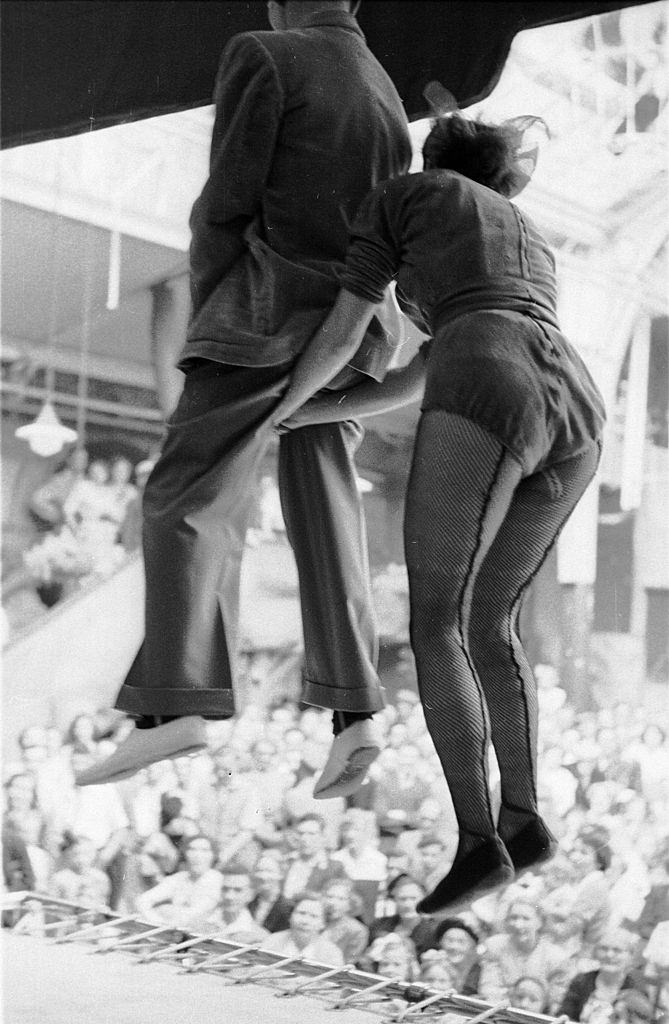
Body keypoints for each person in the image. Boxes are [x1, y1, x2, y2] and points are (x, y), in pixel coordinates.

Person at [266, 111, 605, 910]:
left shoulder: (408, 195)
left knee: (435, 624)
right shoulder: (525, 231)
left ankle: (476, 841)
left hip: (488, 379)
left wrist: (287, 398)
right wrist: (310, 414)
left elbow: (352, 321)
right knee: (494, 624)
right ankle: (523, 819)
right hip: (575, 408)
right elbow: (437, 359)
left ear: (432, 156)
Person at [75, 0, 412, 793]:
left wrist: (213, 307)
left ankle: (177, 707)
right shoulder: (386, 92)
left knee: (186, 498)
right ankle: (355, 712)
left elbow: (227, 201)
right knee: (326, 508)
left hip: (267, 313)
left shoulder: (264, 53)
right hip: (356, 330)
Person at [558, 928, 647, 1024]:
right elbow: (565, 1016)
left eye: (617, 950)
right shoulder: (581, 981)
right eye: (604, 949)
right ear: (595, 952)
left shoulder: (638, 990)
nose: (609, 955)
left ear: (630, 956)